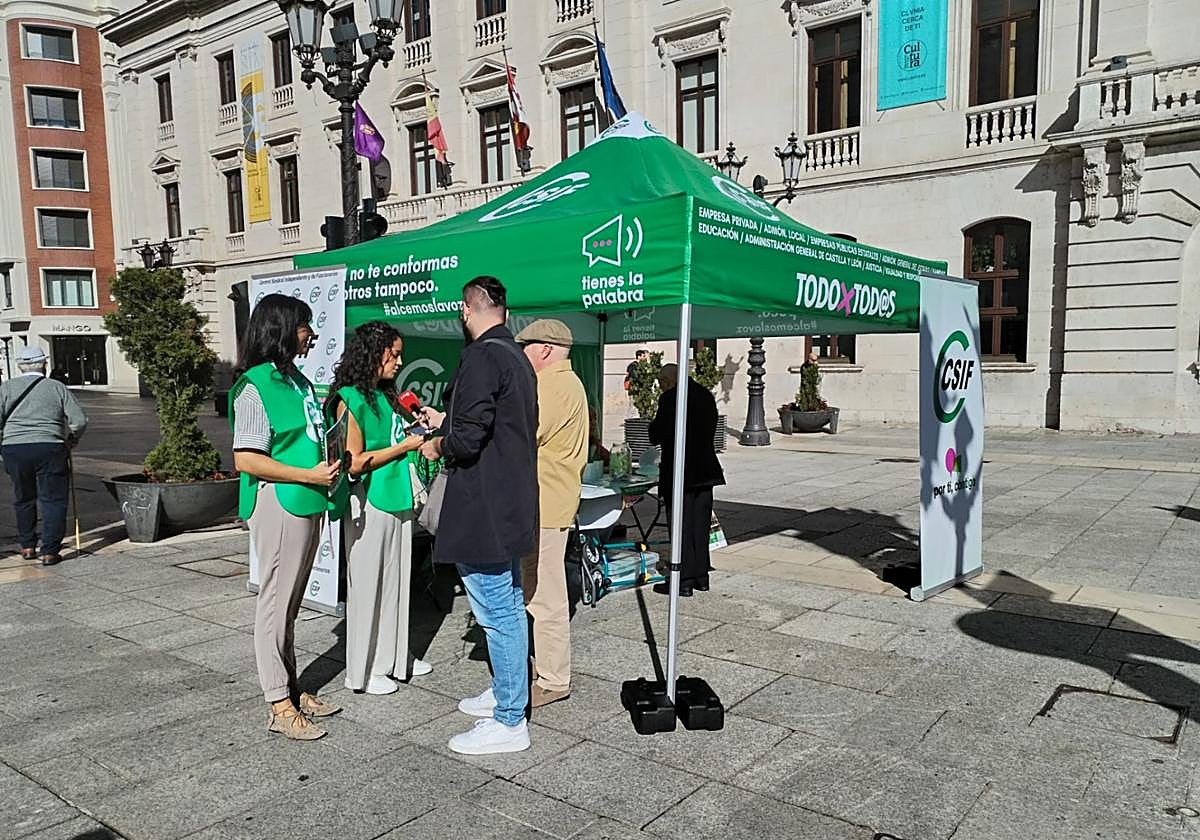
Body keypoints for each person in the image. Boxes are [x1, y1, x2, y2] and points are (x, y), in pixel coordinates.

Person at [418, 276, 538, 755]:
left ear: (466, 311)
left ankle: (510, 719)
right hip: (509, 503)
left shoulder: (481, 356)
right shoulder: (515, 356)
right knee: (507, 603)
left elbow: (469, 439)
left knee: (498, 613)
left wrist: (437, 441)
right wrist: (447, 421)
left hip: (484, 506)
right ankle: (508, 693)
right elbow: (494, 425)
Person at [230, 293, 342, 741]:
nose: (310, 334)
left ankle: (292, 688)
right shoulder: (255, 385)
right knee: (275, 603)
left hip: (308, 498)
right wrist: (306, 472)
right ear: (278, 329)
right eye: (303, 326)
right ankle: (278, 701)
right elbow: (247, 459)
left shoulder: (295, 379)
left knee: (289, 604)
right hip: (281, 501)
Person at [329, 321, 430, 696]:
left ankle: (394, 656)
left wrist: (413, 429)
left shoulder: (386, 395)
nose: (400, 362)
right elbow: (354, 462)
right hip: (369, 501)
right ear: (375, 353)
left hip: (398, 495)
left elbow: (394, 437)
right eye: (395, 353)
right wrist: (404, 448)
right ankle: (365, 669)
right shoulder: (349, 398)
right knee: (369, 587)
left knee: (397, 582)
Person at [514, 319, 588, 709]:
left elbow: (524, 432)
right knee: (537, 588)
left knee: (546, 595)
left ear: (543, 349)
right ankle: (545, 670)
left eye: (524, 348)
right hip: (548, 502)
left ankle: (554, 678)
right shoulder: (566, 383)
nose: (522, 355)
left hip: (546, 503)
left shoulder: (553, 385)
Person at [0, 346, 87, 566]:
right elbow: (79, 420)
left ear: (20, 366)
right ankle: (50, 551)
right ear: (44, 364)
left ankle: (27, 546)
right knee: (54, 500)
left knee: (23, 498)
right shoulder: (56, 387)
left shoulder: (6, 388)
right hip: (50, 447)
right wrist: (72, 438)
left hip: (15, 449)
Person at [647, 363, 725, 597]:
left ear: (669, 381)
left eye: (661, 381)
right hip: (706, 469)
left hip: (681, 471)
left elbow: (656, 434)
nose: (660, 386)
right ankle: (701, 576)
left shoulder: (671, 398)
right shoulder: (705, 394)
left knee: (680, 526)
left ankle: (683, 580)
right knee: (699, 526)